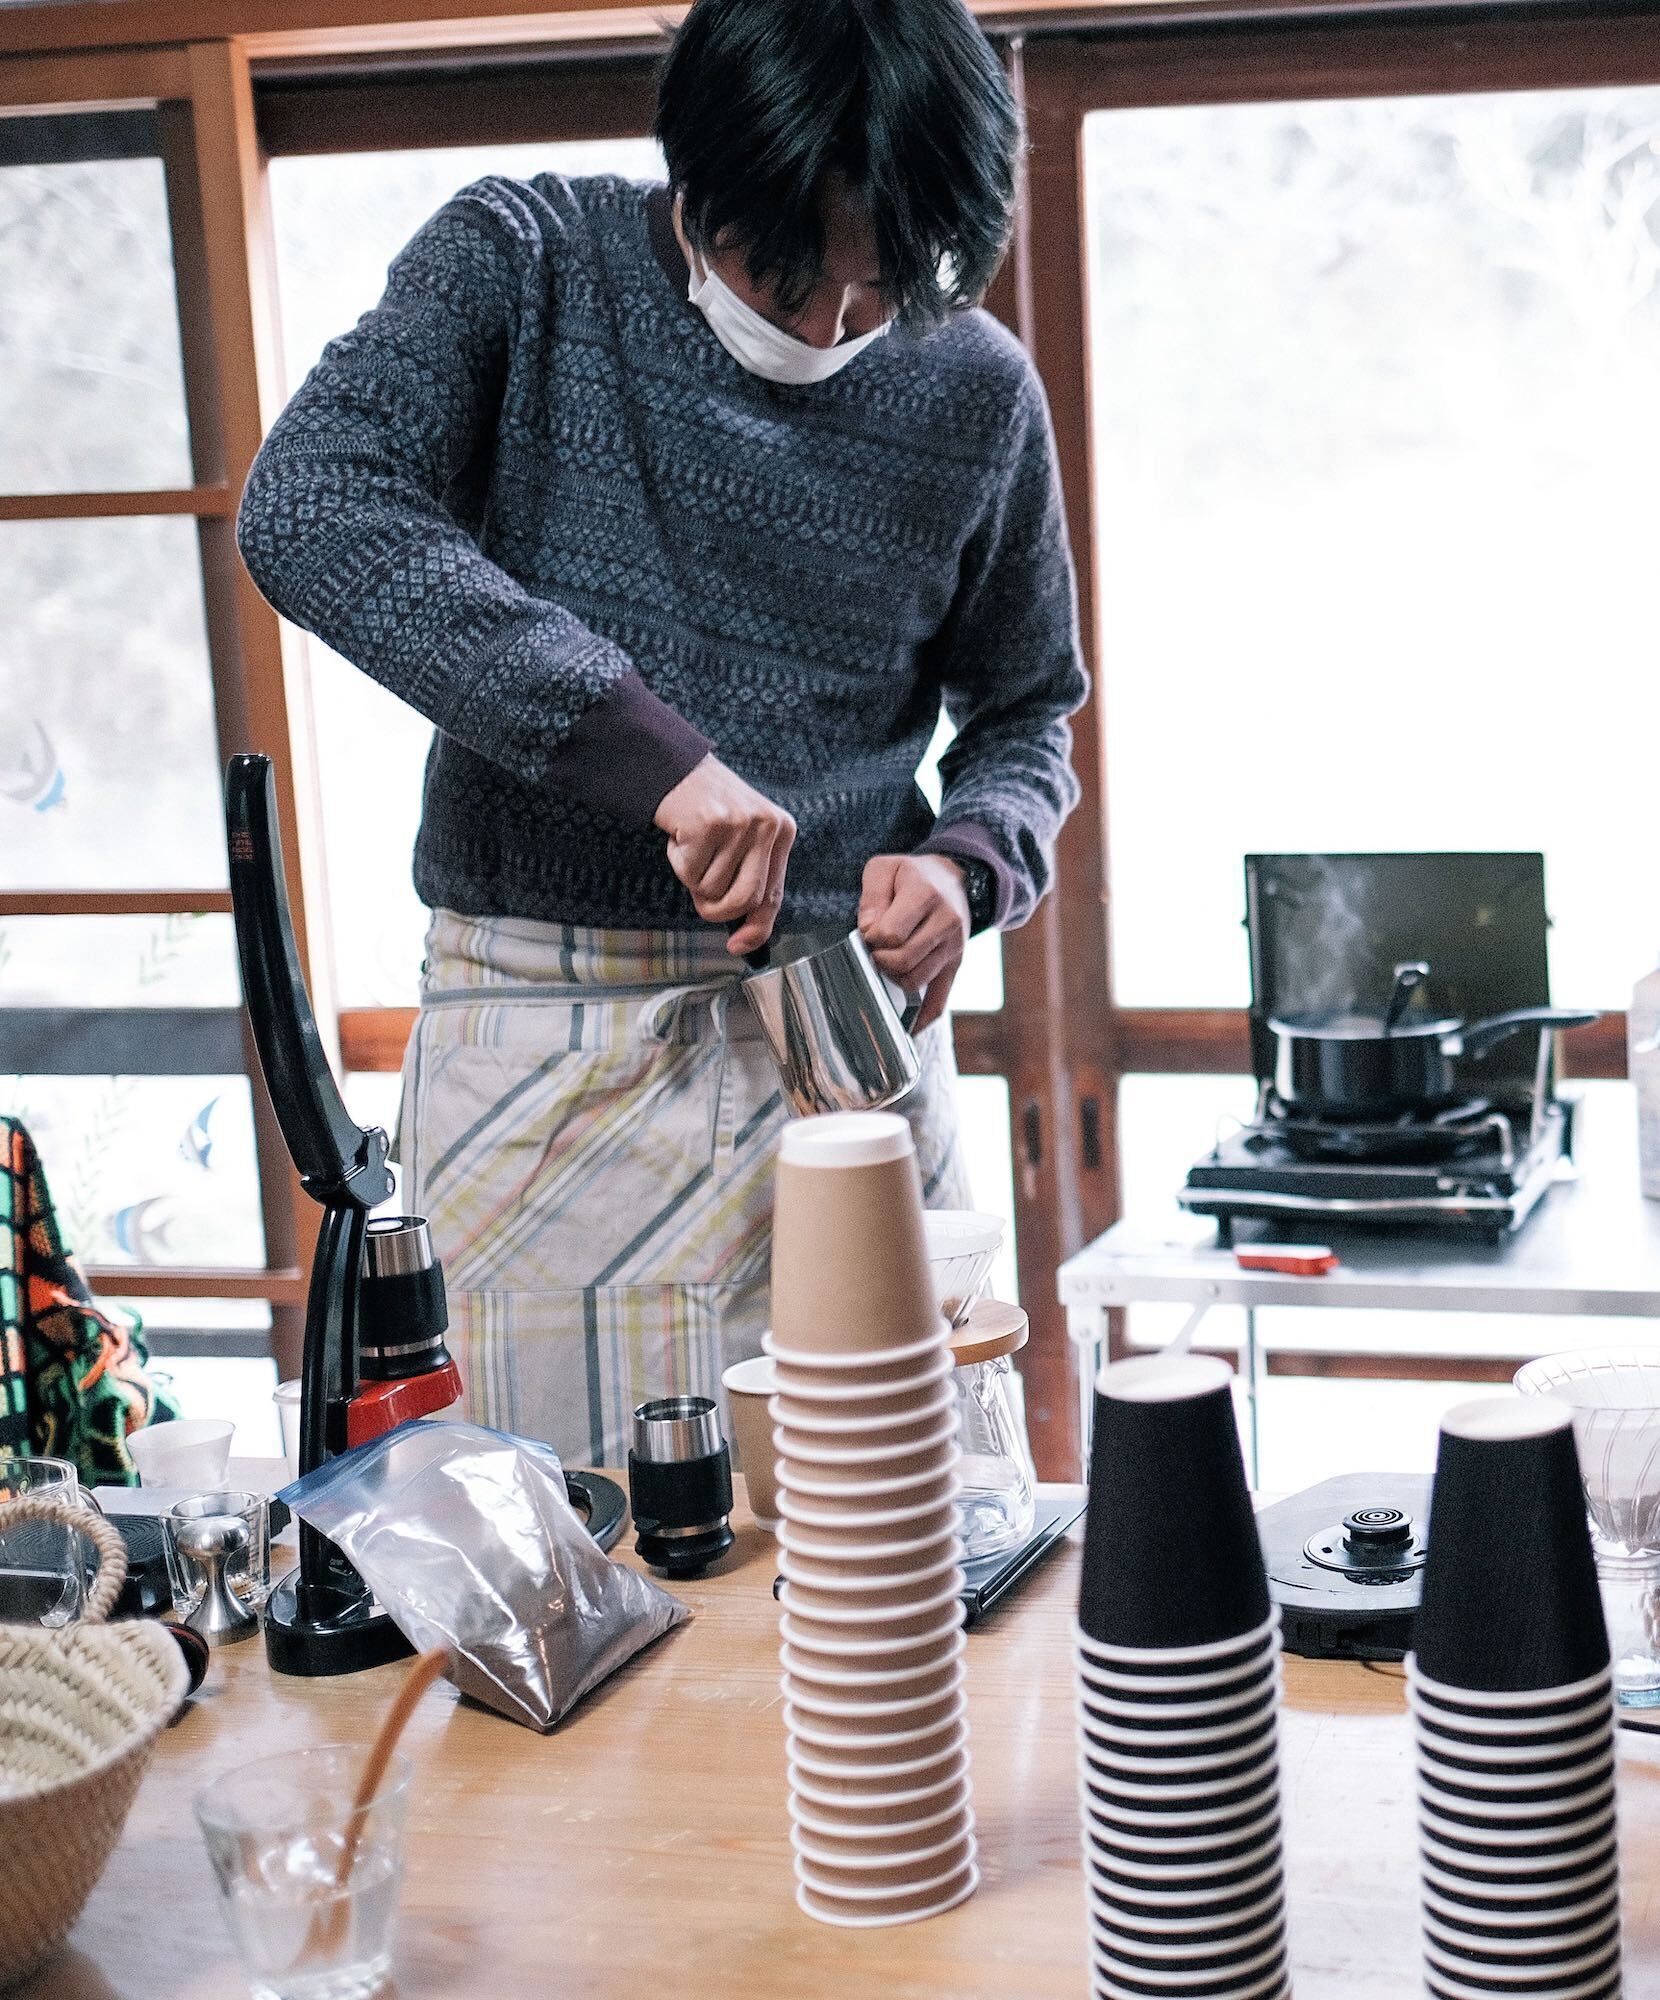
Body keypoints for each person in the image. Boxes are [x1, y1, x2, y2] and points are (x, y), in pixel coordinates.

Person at [236, 0, 1084, 1462]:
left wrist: (965, 867)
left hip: (847, 1051)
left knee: (911, 1540)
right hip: (552, 1052)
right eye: (790, 272)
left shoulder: (975, 389)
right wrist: (649, 757)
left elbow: (1029, 713)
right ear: (697, 173)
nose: (828, 325)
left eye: (880, 285)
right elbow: (313, 504)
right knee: (564, 1548)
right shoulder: (525, 262)